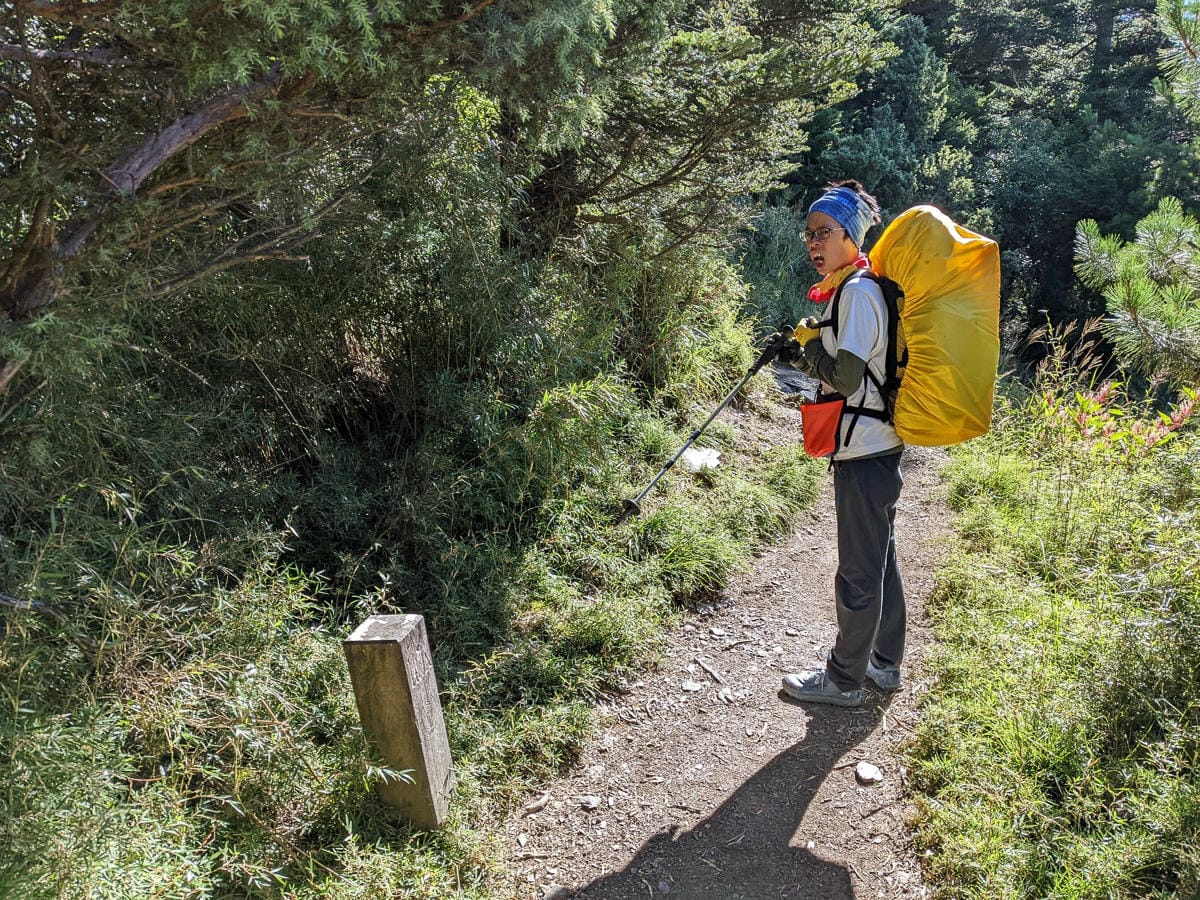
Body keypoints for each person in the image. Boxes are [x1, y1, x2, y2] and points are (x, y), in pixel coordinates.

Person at [781, 180, 905, 708]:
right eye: (809, 233)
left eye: (825, 232)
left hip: (864, 446)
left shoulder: (856, 292)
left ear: (850, 236)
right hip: (877, 444)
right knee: (880, 558)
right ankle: (884, 663)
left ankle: (844, 679)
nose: (814, 242)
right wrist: (807, 346)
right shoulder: (856, 287)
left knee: (858, 568)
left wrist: (807, 353)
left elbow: (849, 378)